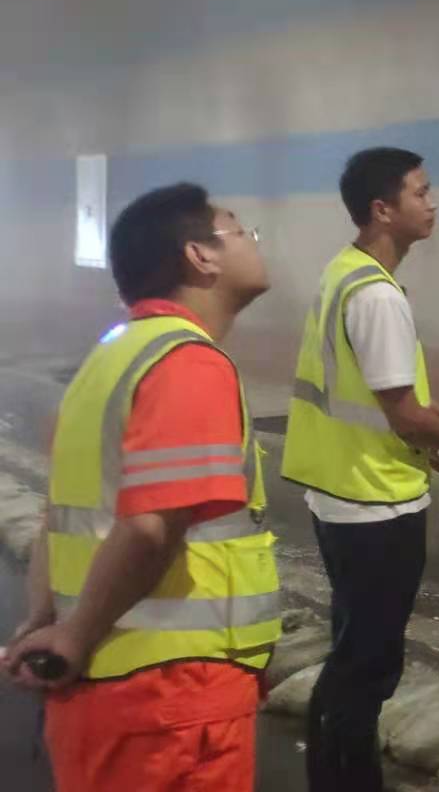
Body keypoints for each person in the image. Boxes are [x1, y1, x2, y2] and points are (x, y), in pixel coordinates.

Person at [3, 183, 280, 790]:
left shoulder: (109, 359)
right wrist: (73, 635)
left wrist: (45, 621)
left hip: (103, 694)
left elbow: (60, 517)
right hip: (171, 701)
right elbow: (151, 525)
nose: (256, 244)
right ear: (199, 256)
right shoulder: (188, 362)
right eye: (241, 231)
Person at [283, 147, 439, 792]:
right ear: (382, 209)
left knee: (353, 652)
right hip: (374, 501)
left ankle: (332, 773)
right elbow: (403, 413)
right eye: (420, 192)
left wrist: (435, 426)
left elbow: (394, 400)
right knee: (367, 664)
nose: (432, 204)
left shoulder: (346, 272)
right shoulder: (375, 295)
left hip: (342, 491)